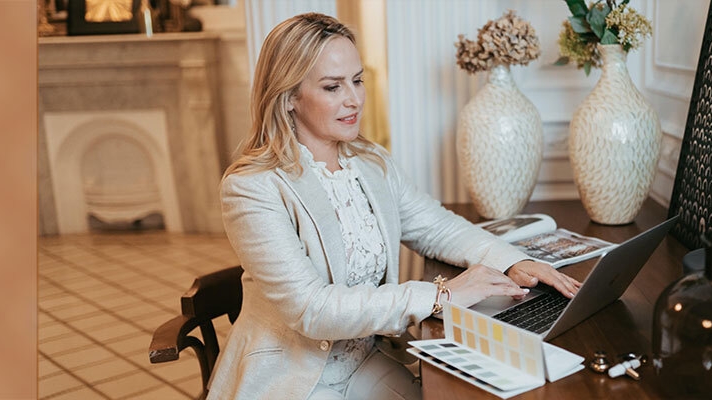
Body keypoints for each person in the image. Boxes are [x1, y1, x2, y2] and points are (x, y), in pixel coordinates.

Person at [207, 13, 582, 400]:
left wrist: (511, 261)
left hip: (363, 359)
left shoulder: (371, 161)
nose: (354, 99)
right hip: (293, 376)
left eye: (357, 80)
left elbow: (435, 226)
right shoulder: (251, 187)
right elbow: (311, 309)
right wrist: (441, 295)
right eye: (333, 87)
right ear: (288, 98)